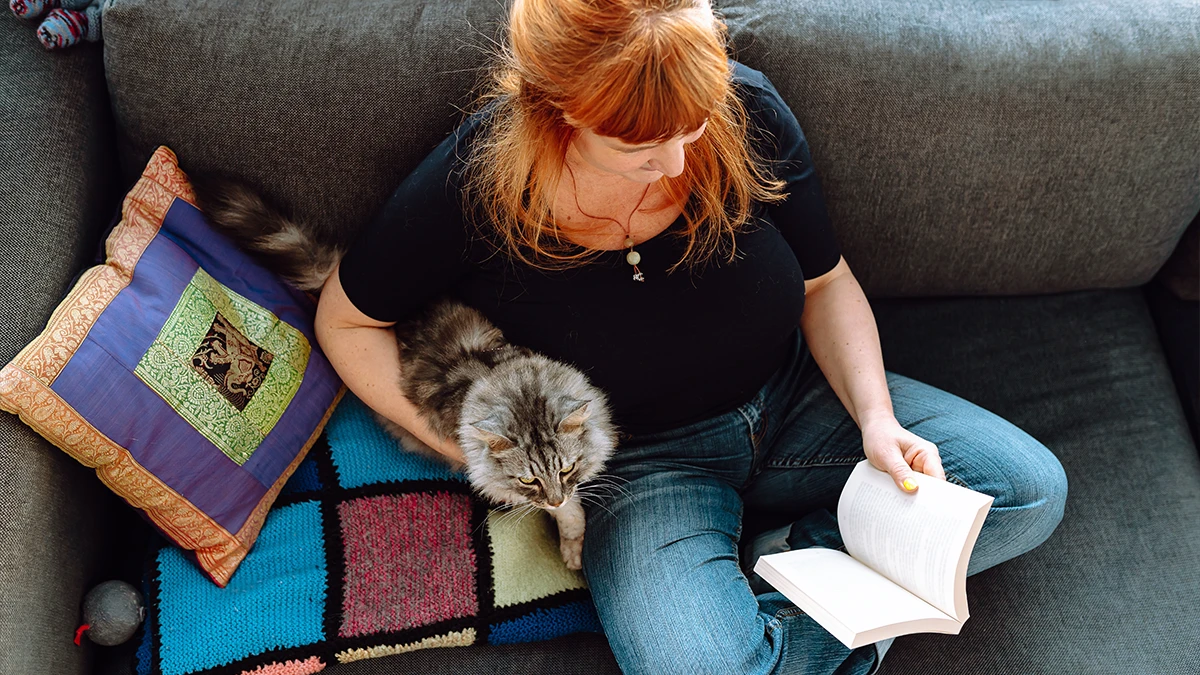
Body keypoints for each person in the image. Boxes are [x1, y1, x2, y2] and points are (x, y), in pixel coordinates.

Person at [313, 0, 1068, 672]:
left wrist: (876, 419)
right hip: (643, 468)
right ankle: (834, 573)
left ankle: (796, 556)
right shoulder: (477, 182)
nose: (676, 164)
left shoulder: (749, 108)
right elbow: (347, 321)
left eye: (693, 127)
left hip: (801, 404)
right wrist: (467, 448)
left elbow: (826, 282)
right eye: (641, 148)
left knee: (1027, 491)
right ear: (560, 112)